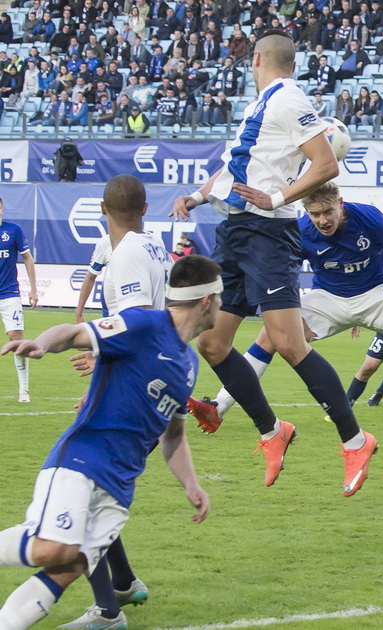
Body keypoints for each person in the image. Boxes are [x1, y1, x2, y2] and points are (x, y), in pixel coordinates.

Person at [170, 29, 378, 496]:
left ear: (259, 57)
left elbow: (326, 163)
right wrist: (199, 196)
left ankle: (356, 440)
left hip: (268, 233)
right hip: (237, 230)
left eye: (247, 55)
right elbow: (235, 167)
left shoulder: (288, 99)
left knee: (288, 343)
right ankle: (271, 431)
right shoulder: (259, 105)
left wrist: (277, 196)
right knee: (214, 344)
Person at [0, 255, 216, 630]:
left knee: (69, 567)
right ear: (206, 300)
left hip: (119, 489)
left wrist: (191, 484)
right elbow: (72, 333)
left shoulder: (189, 364)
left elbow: (174, 435)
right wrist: (41, 343)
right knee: (55, 548)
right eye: (221, 297)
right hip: (84, 460)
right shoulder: (143, 324)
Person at [188, 183, 383, 430]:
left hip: (375, 294)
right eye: (315, 214)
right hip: (328, 300)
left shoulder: (369, 218)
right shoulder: (300, 231)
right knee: (269, 337)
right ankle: (218, 407)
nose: (322, 220)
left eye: (328, 212)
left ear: (340, 205)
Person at [61, 174, 171, 630]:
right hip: (151, 384)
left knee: (81, 493)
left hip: (132, 390)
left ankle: (108, 612)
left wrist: (103, 361)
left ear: (103, 211)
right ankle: (123, 582)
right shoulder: (153, 246)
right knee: (96, 487)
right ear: (145, 209)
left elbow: (138, 322)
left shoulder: (124, 255)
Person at [0, 197, 38, 403]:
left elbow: (27, 258)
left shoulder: (13, 231)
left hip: (9, 294)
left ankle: (24, 390)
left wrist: (33, 289)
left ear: (2, 209)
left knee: (17, 340)